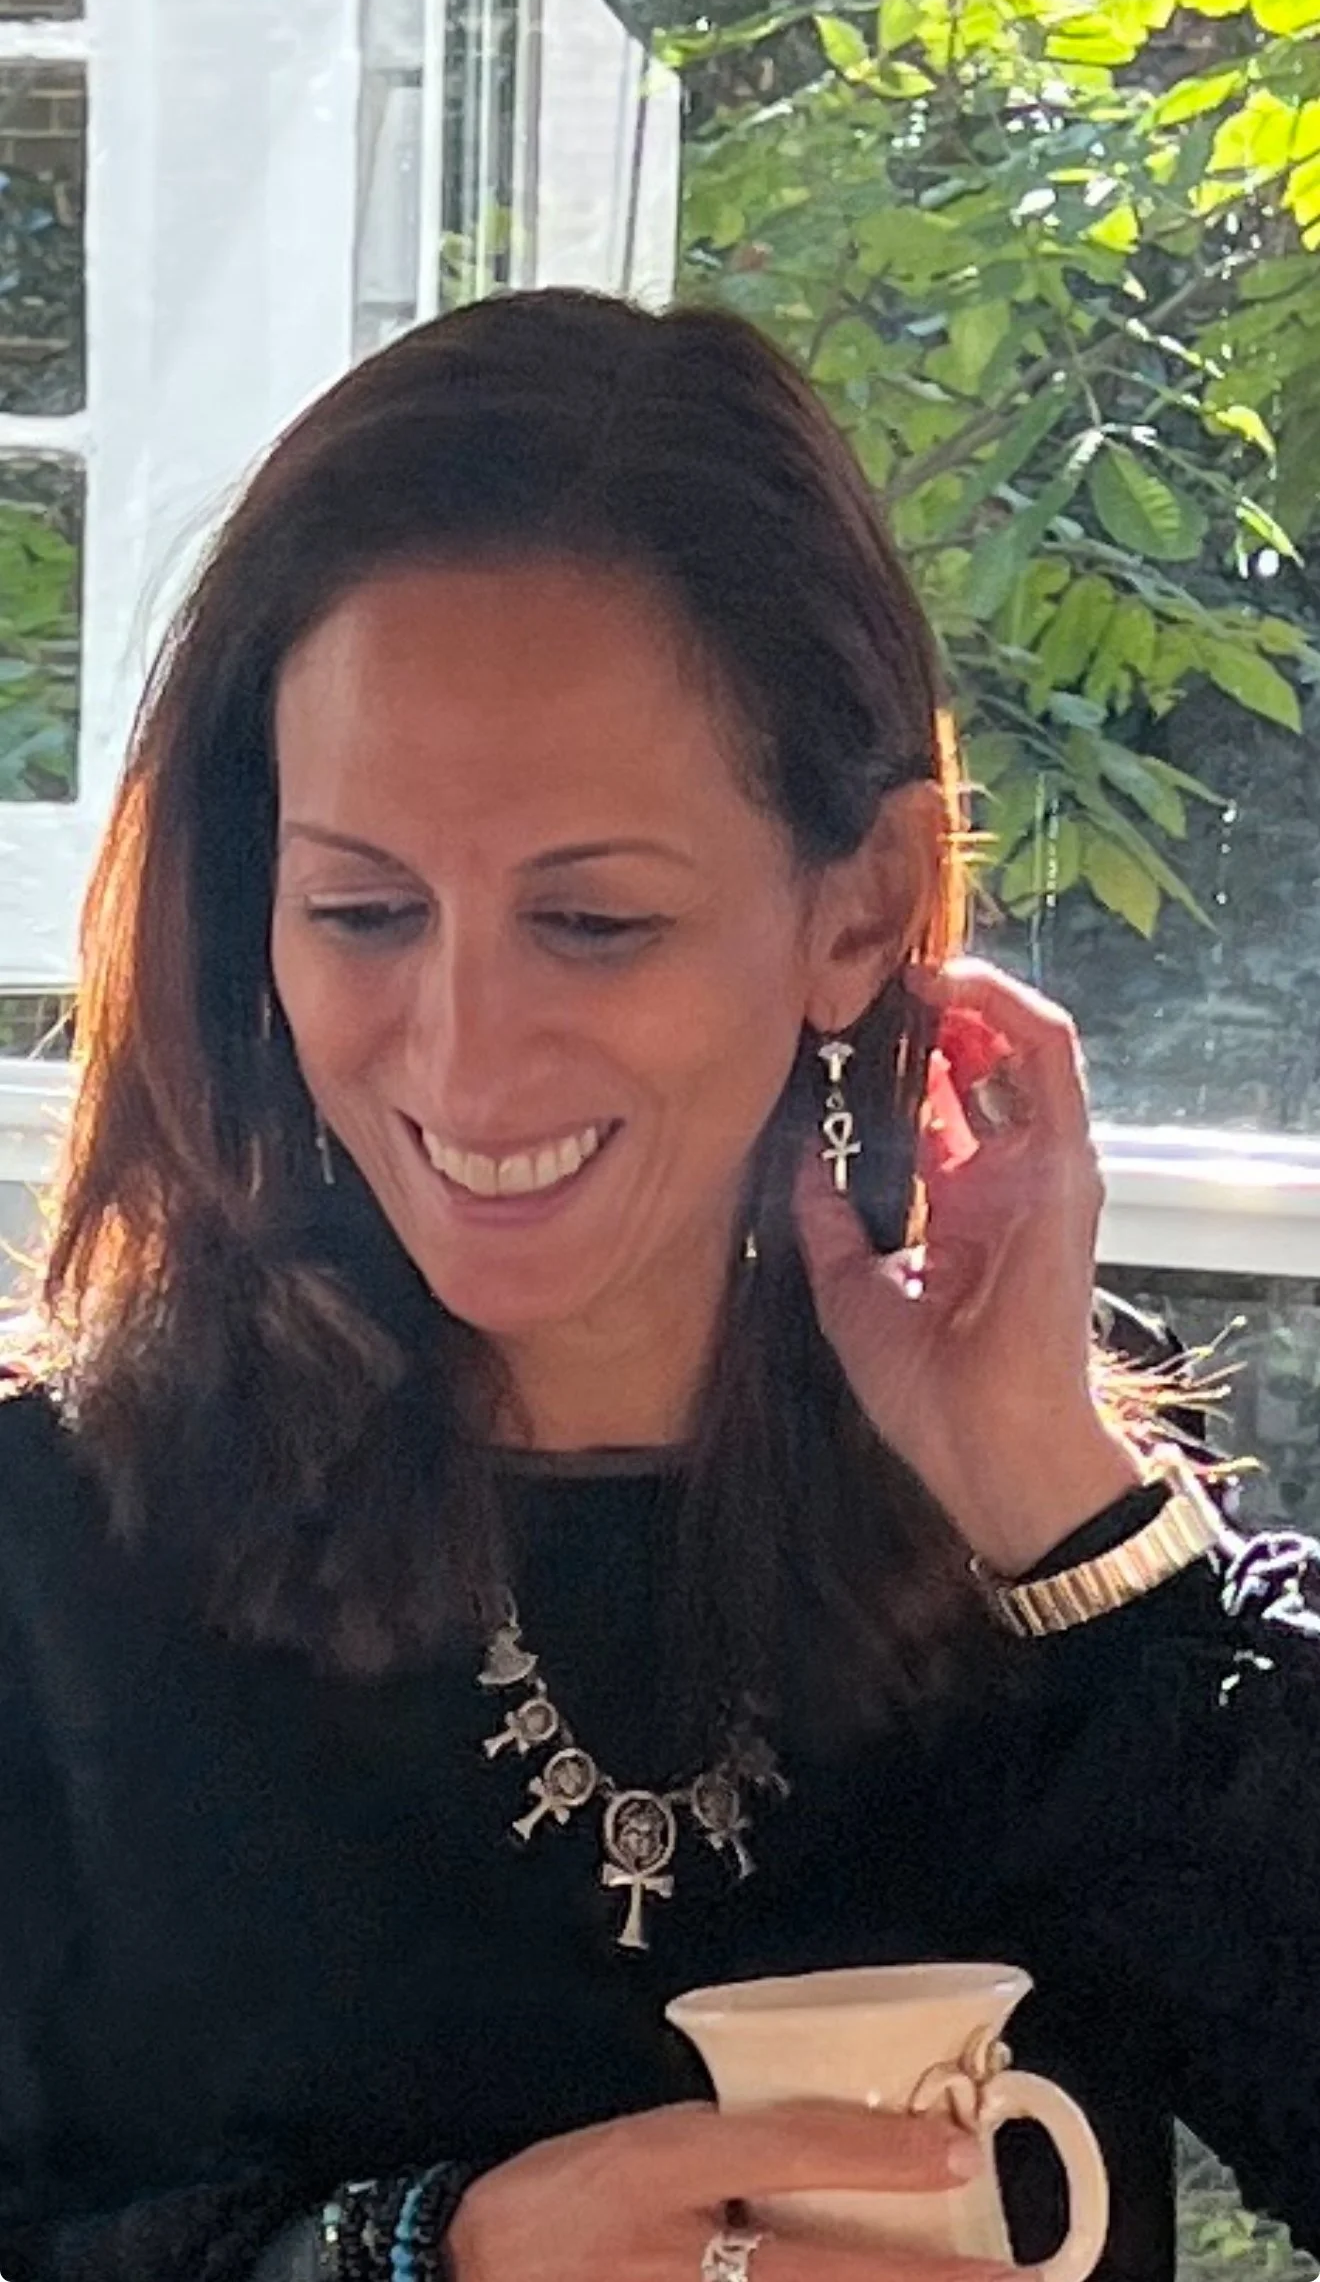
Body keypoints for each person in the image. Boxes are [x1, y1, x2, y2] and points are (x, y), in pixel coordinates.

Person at [0, 288, 1316, 2282]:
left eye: (593, 920)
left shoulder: (1051, 1484)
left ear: (858, 909)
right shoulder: (62, 1535)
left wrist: (1065, 1509)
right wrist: (411, 2258)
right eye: (363, 909)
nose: (459, 1054)